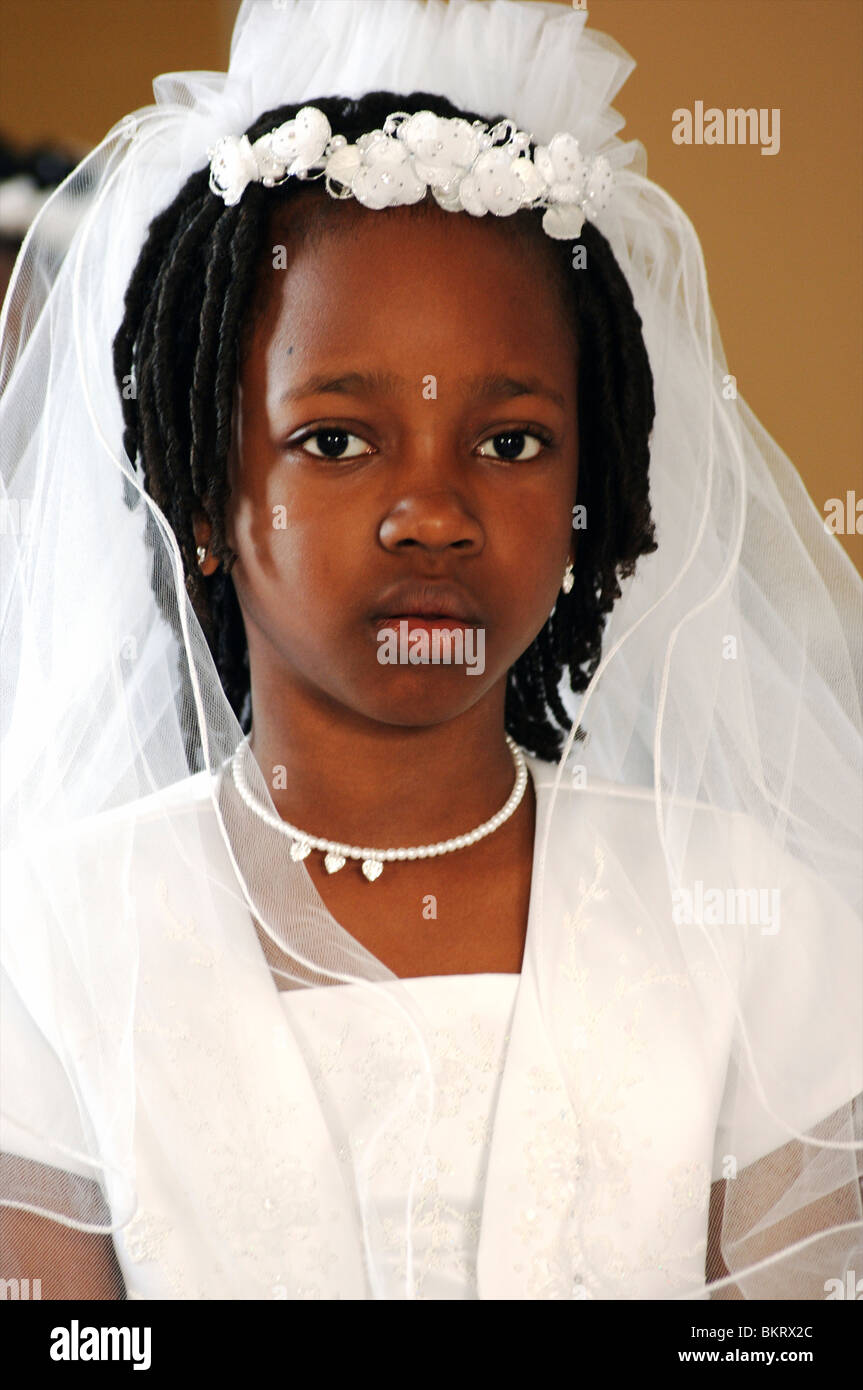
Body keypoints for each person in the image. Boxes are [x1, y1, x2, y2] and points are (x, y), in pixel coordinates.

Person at [1, 0, 860, 1302]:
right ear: (204, 501)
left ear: (596, 489)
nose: (434, 514)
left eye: (511, 441)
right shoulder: (51, 949)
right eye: (336, 441)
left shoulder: (747, 923)